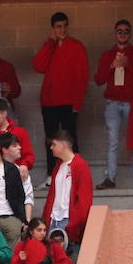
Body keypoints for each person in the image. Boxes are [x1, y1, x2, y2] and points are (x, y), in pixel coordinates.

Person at [93, 19, 133, 189]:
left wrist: (129, 65)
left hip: (131, 103)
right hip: (113, 102)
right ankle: (110, 178)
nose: (123, 34)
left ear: (130, 34)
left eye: (126, 31)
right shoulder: (107, 55)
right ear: (115, 34)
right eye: (119, 31)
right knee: (112, 141)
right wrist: (112, 65)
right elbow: (98, 79)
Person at [31, 11, 89, 181]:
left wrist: (77, 102)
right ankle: (51, 175)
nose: (62, 30)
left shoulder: (77, 46)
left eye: (64, 26)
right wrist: (50, 43)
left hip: (69, 101)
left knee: (70, 138)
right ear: (53, 29)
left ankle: (75, 175)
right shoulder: (50, 45)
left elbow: (82, 76)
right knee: (51, 139)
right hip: (49, 101)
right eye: (58, 27)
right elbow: (38, 66)